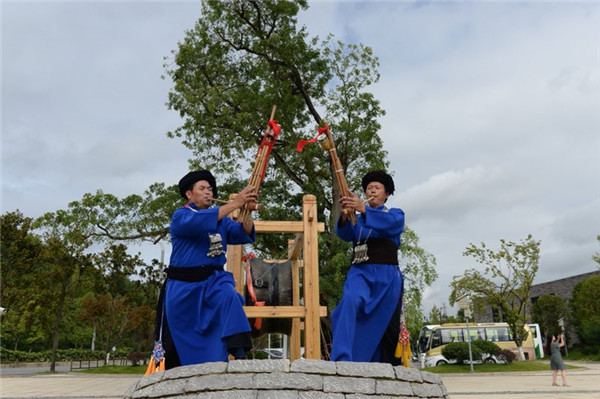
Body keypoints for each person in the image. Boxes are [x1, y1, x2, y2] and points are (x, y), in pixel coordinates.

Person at [155, 170, 259, 369]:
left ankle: (239, 349)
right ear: (189, 194)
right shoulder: (181, 216)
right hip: (184, 289)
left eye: (210, 189)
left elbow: (242, 233)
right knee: (181, 344)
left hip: (214, 281)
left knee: (229, 296)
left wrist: (248, 212)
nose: (208, 193)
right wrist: (236, 203)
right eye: (202, 189)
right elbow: (201, 222)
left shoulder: (222, 221)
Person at [330, 170, 405, 364]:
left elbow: (393, 225)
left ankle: (388, 365)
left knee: (388, 322)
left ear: (386, 194)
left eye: (377, 187)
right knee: (350, 302)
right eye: (369, 188)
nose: (372, 190)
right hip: (361, 272)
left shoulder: (394, 214)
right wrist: (346, 215)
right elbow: (346, 234)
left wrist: (362, 210)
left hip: (387, 275)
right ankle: (342, 358)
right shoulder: (358, 219)